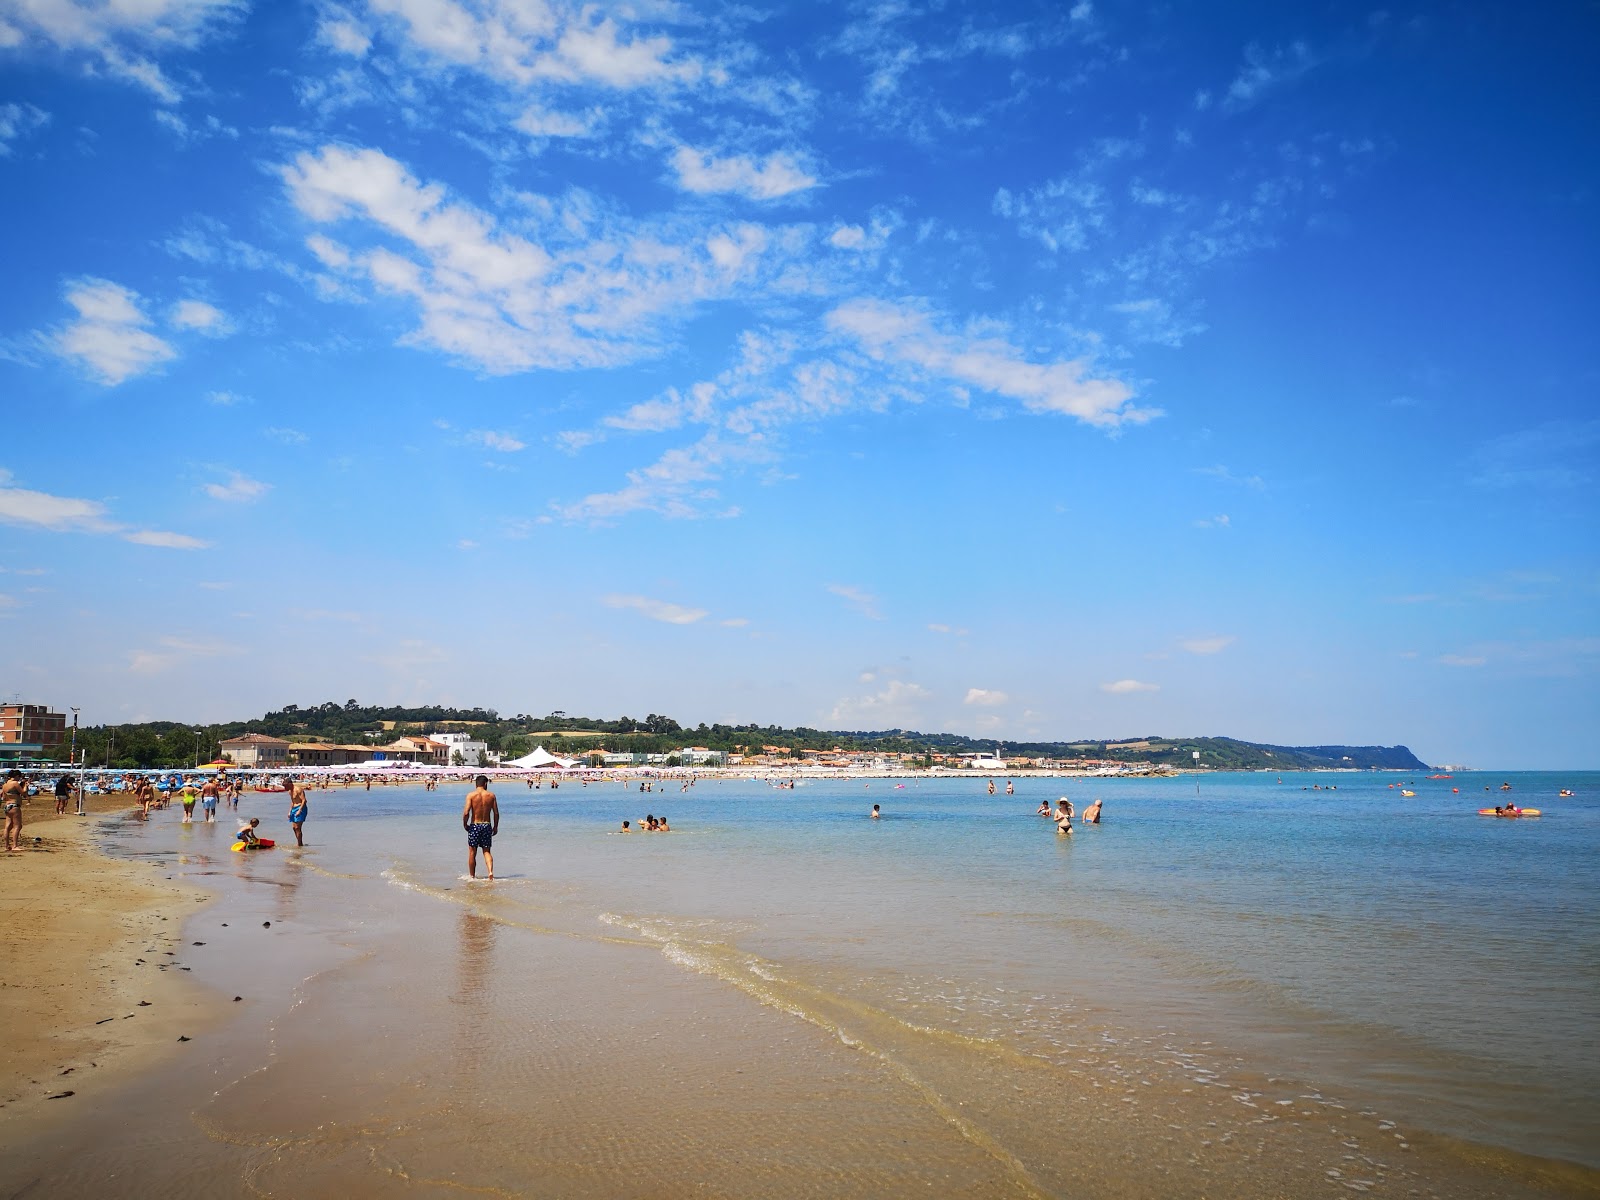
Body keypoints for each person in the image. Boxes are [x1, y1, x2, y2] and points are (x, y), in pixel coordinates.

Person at [462, 775, 499, 880]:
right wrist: (495, 826)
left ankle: (472, 876)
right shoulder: (491, 795)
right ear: (485, 783)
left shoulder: (471, 795)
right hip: (487, 825)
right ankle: (490, 872)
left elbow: (466, 812)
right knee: (487, 851)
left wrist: (465, 824)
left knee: (472, 852)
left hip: (475, 825)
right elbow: (496, 813)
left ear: (476, 784)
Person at [3, 771, 26, 853]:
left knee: (8, 826)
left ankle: (6, 845)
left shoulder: (5, 784)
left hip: (7, 805)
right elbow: (23, 793)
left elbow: (3, 796)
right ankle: (14, 845)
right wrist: (26, 785)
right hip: (14, 805)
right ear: (16, 776)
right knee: (17, 826)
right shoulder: (15, 783)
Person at [286, 778, 309, 847]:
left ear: (290, 784)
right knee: (294, 828)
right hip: (294, 809)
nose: (285, 788)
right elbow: (293, 802)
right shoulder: (290, 791)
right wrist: (289, 811)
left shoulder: (298, 789)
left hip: (301, 808)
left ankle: (299, 844)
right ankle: (300, 843)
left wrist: (300, 810)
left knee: (297, 828)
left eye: (286, 786)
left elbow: (304, 800)